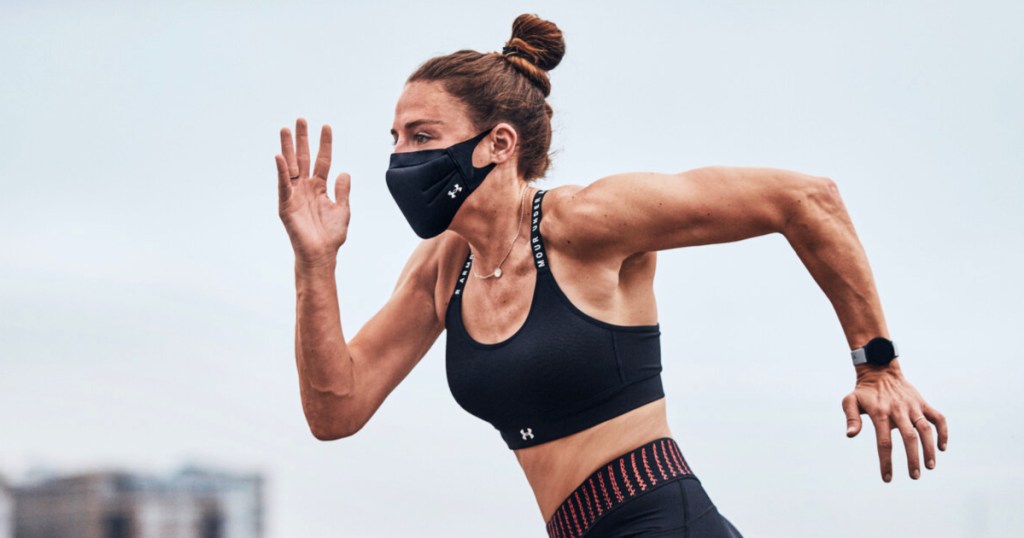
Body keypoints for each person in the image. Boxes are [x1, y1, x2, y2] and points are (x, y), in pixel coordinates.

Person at [274, 13, 948, 537]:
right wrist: (315, 263)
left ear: (499, 143)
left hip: (665, 522)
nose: (400, 157)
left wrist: (876, 365)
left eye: (421, 136)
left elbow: (807, 199)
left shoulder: (584, 222)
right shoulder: (441, 269)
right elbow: (337, 410)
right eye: (393, 139)